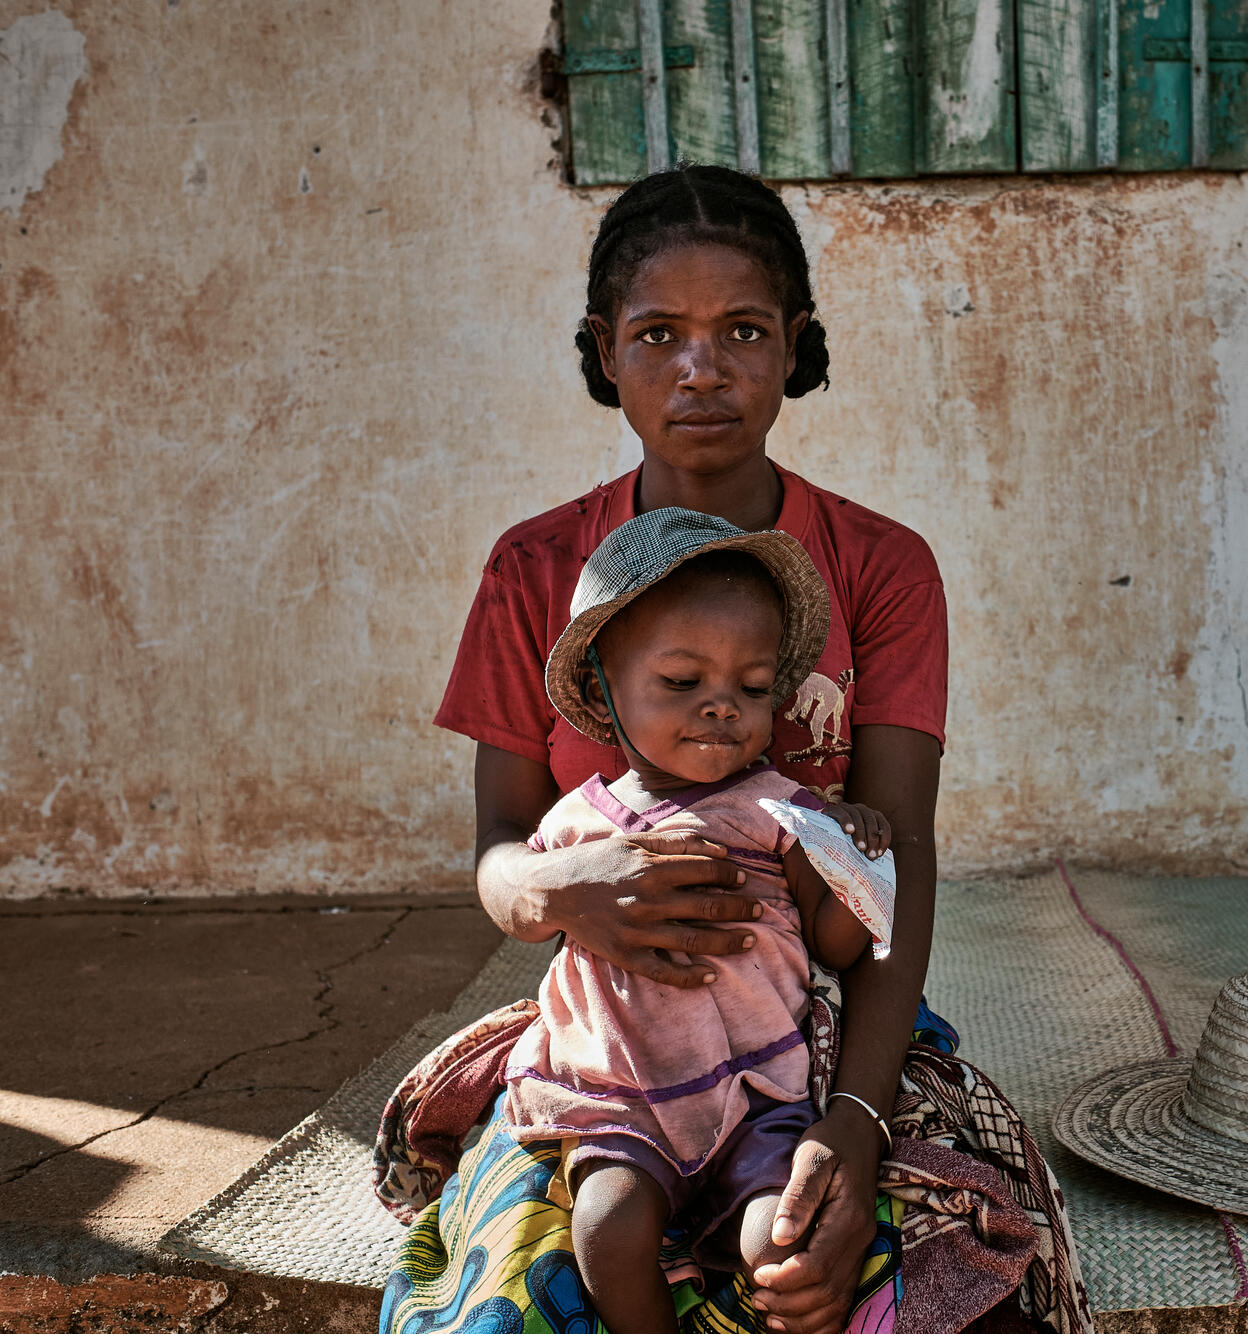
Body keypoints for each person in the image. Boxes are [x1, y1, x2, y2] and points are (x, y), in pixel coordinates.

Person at [404, 163, 953, 1333]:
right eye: (658, 332)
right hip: (607, 1038)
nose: (701, 368)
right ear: (605, 350)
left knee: (918, 1270)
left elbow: (897, 859)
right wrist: (560, 885)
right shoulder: (535, 571)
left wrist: (852, 1122)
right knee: (512, 1293)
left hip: (818, 1027)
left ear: (794, 344)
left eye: (742, 330)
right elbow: (501, 849)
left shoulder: (880, 565)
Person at [505, 509, 899, 1332]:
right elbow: (529, 912)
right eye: (683, 684)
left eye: (751, 690)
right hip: (623, 1097)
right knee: (607, 1226)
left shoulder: (779, 810)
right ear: (605, 694)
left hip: (757, 1087)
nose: (722, 708)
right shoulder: (577, 825)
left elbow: (834, 944)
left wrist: (853, 864)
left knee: (780, 1239)